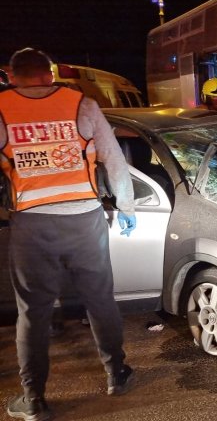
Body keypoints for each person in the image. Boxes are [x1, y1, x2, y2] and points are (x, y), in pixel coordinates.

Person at [0, 48, 137, 421]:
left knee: (33, 311)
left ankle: (33, 400)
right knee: (100, 300)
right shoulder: (83, 104)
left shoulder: (2, 108)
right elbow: (113, 158)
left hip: (31, 224)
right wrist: (126, 207)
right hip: (84, 220)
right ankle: (116, 374)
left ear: (12, 76)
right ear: (49, 74)